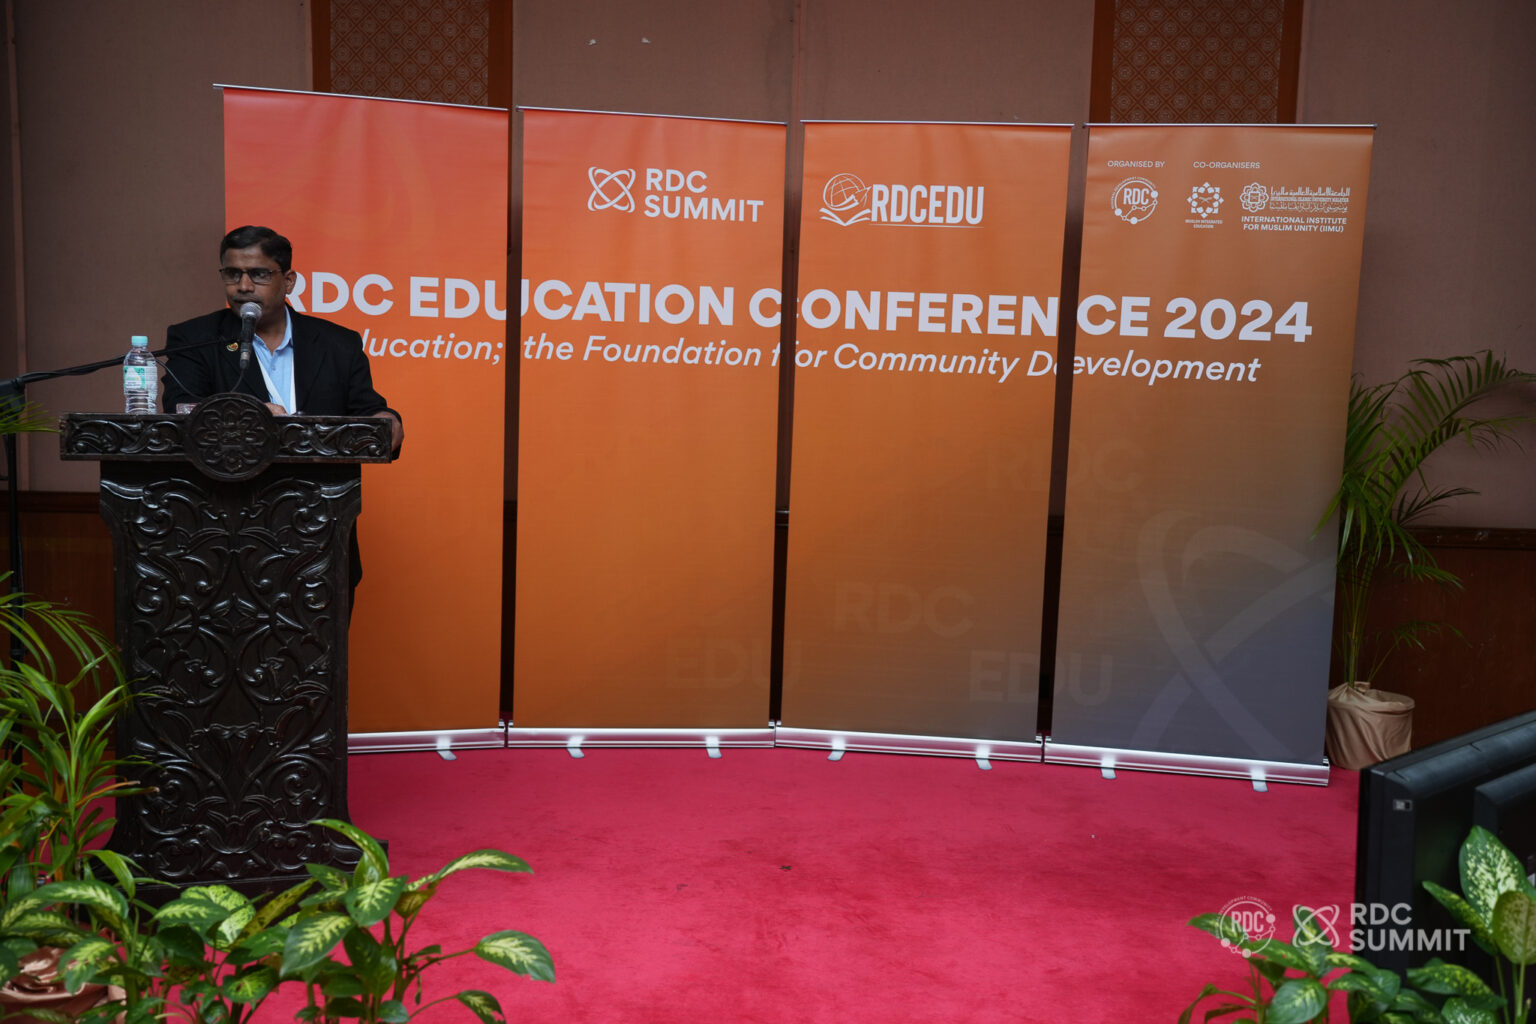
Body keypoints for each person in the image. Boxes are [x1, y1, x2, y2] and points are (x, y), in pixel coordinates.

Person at [162, 225, 404, 595]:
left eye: (258, 274)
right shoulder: (195, 339)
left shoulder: (338, 343)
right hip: (224, 536)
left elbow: (369, 411)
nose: (243, 286)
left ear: (288, 281)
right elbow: (182, 410)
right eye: (232, 274)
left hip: (321, 533)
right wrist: (250, 415)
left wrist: (389, 423)